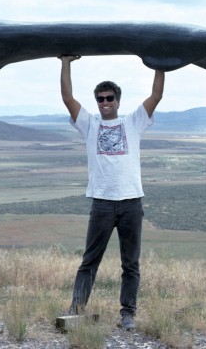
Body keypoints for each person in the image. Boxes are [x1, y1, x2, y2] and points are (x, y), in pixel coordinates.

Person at [58, 55, 165, 331]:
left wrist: (161, 64)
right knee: (89, 261)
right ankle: (77, 309)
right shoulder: (90, 124)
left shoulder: (134, 122)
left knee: (131, 263)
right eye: (100, 99)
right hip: (102, 203)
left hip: (131, 202)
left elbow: (156, 94)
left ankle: (127, 314)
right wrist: (66, 61)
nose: (105, 103)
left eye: (109, 98)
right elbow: (68, 97)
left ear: (118, 100)